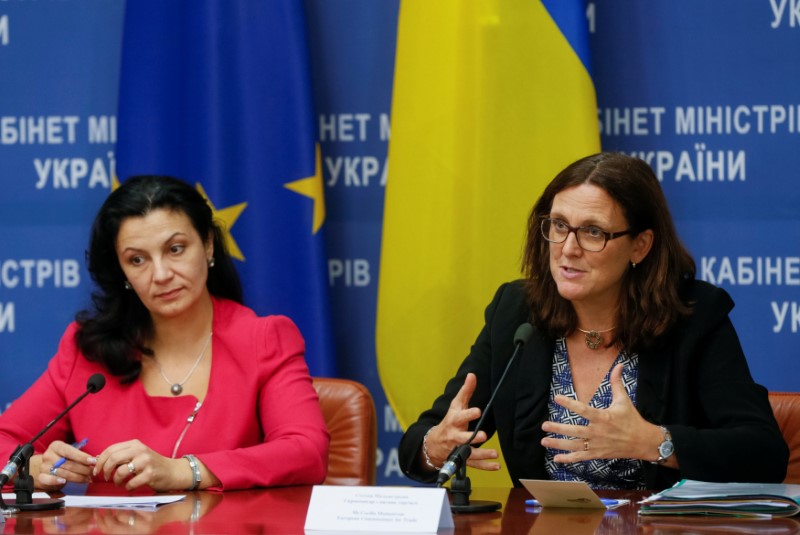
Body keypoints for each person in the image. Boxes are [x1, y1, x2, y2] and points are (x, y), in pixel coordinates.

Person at [399, 152, 788, 490]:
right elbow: (417, 444)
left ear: (641, 245)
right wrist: (435, 447)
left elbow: (764, 454)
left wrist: (655, 442)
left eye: (592, 232)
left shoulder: (694, 317)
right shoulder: (517, 313)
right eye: (559, 225)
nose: (568, 249)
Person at [0, 175, 329, 491]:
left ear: (208, 245)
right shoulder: (87, 350)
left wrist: (185, 470)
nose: (161, 274)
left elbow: (306, 451)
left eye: (175, 249)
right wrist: (35, 467)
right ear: (122, 272)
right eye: (138, 259)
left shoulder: (264, 339)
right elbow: (5, 441)